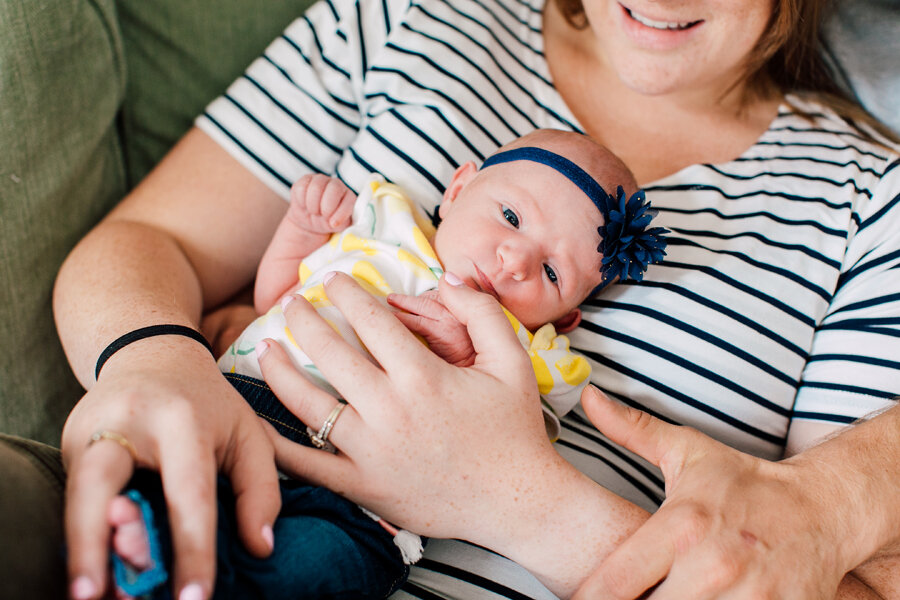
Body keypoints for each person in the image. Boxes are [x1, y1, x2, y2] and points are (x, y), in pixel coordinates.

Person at [20, 0, 900, 597]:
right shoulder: (410, 17)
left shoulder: (872, 206)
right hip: (243, 453)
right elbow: (152, 245)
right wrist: (156, 358)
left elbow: (825, 581)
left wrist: (511, 497)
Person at [107, 129, 668, 599]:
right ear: (458, 188)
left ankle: (182, 579)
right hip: (250, 400)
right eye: (511, 216)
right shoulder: (381, 228)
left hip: (366, 507)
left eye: (551, 273)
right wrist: (301, 231)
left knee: (321, 565)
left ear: (566, 318)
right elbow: (276, 298)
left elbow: (517, 448)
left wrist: (467, 358)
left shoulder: (535, 356)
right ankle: (152, 543)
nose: (514, 260)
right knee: (183, 474)